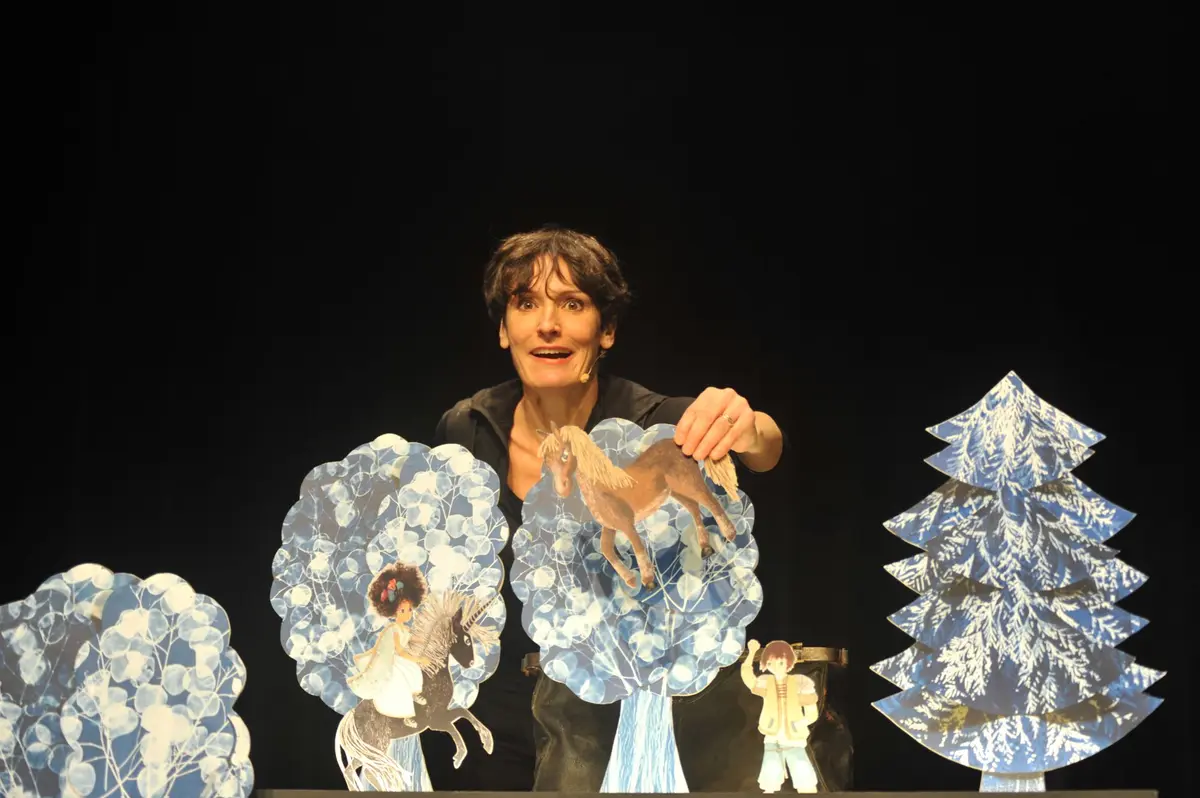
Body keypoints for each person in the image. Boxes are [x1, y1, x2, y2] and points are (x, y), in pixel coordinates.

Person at [431, 226, 785, 790]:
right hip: (495, 719)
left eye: (573, 304)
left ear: (607, 331)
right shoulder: (466, 428)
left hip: (609, 723)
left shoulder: (652, 423)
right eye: (526, 303)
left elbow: (764, 448)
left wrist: (748, 423)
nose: (548, 324)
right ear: (504, 329)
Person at [347, 562, 432, 727]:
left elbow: (412, 642)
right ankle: (406, 714)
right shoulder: (393, 629)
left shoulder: (405, 628)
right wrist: (418, 659)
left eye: (409, 610)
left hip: (402, 658)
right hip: (394, 661)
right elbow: (399, 651)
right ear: (393, 611)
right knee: (400, 679)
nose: (407, 614)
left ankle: (415, 693)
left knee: (413, 670)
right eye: (402, 610)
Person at [741, 639, 820, 793]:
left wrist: (802, 722)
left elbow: (811, 711)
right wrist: (751, 653)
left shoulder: (801, 682)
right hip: (772, 737)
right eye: (771, 663)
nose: (776, 667)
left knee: (805, 779)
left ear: (789, 662)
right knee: (770, 782)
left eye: (781, 662)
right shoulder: (766, 682)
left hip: (795, 739)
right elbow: (749, 679)